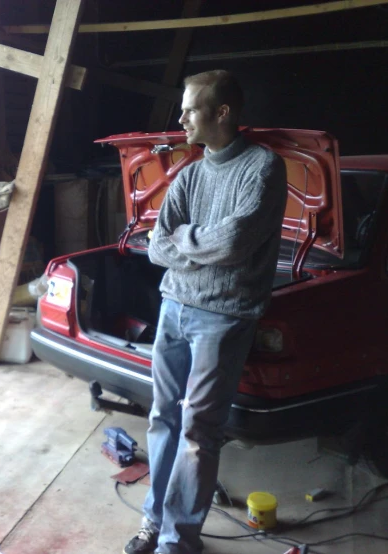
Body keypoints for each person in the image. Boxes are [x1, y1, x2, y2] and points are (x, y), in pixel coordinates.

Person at [124, 70, 287, 554]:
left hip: (224, 314)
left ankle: (179, 539)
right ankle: (153, 521)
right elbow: (156, 248)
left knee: (198, 430)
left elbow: (236, 241)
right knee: (162, 418)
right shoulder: (190, 174)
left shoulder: (263, 168)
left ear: (223, 113)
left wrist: (182, 241)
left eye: (190, 109)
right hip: (174, 306)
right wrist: (193, 246)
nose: (181, 118)